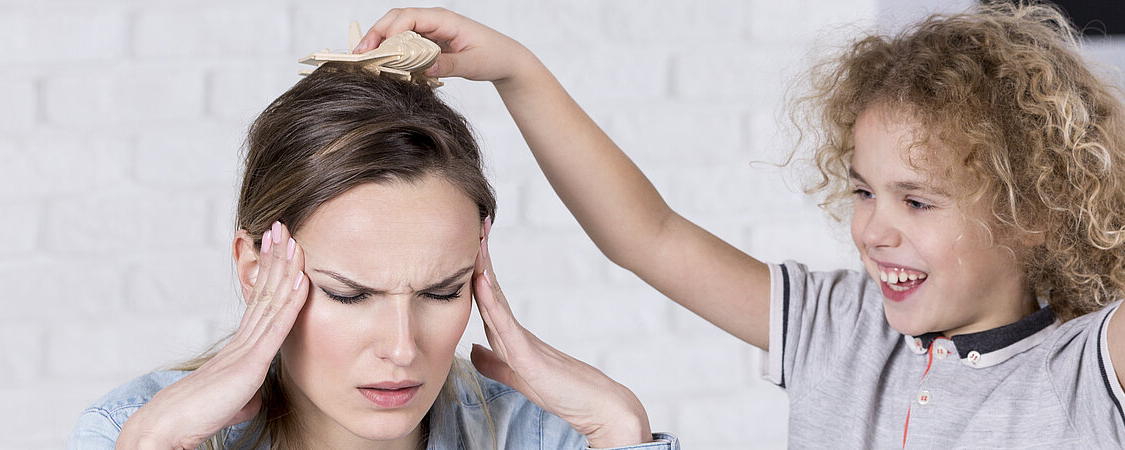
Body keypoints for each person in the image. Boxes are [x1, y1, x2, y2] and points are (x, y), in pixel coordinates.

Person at [355, 0, 1125, 446]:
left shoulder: (1082, 377)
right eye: (863, 192)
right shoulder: (843, 328)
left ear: (1034, 215)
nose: (874, 229)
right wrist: (516, 71)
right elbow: (647, 237)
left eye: (917, 200)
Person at [67, 63, 679, 450]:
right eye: (349, 294)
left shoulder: (544, 437)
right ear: (257, 272)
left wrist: (623, 432)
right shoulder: (131, 431)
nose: (403, 348)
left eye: (442, 292)